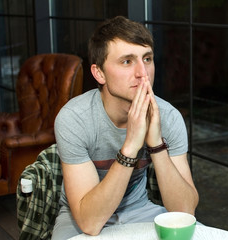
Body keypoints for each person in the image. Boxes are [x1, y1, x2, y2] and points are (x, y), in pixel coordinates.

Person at [51, 16, 199, 239]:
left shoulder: (168, 117)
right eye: (127, 61)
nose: (142, 73)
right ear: (99, 73)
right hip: (81, 216)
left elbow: (185, 212)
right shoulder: (74, 119)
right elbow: (90, 223)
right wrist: (130, 146)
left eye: (147, 59)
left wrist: (157, 145)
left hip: (139, 209)